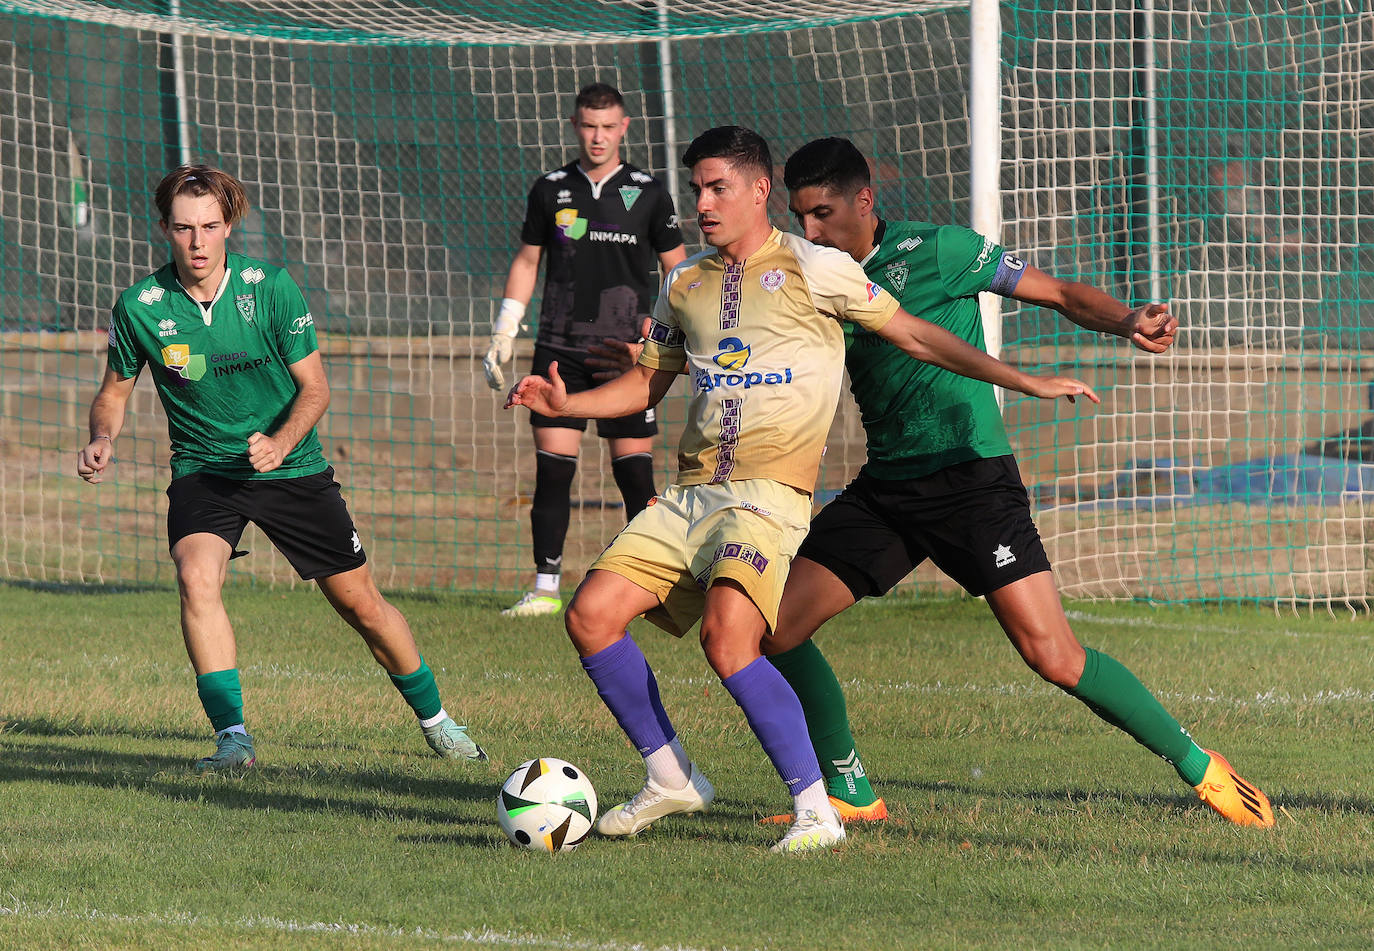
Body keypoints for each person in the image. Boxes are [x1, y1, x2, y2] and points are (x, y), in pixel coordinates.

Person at [506, 126, 1099, 853]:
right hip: (692, 493)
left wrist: (1024, 379)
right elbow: (646, 383)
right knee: (590, 615)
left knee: (731, 638)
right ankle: (671, 777)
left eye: (718, 187)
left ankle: (816, 809)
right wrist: (566, 405)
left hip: (768, 497)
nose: (703, 202)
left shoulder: (818, 268)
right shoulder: (684, 282)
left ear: (760, 192)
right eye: (696, 189)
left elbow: (915, 335)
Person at [758, 136, 1273, 828]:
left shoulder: (937, 251)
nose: (811, 230)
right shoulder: (807, 276)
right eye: (800, 216)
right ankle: (851, 793)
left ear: (864, 199)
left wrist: (1125, 320)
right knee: (775, 628)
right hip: (888, 488)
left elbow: (1057, 292)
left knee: (1053, 655)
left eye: (822, 213)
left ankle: (1202, 767)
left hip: (973, 479)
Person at [75, 165, 486, 771]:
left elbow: (315, 390)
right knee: (196, 579)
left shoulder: (270, 288)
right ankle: (232, 739)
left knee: (361, 605)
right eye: (184, 228)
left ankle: (438, 721)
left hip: (292, 468)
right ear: (164, 228)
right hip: (204, 471)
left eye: (209, 227)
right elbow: (113, 392)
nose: (197, 242)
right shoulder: (141, 306)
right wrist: (101, 437)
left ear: (228, 226)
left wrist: (281, 440)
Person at [484, 82, 687, 618]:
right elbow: (528, 261)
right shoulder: (550, 189)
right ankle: (546, 588)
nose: (597, 137)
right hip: (558, 351)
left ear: (624, 128)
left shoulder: (649, 191)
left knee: (635, 476)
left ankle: (648, 591)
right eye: (588, 126)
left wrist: (662, 337)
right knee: (553, 472)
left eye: (608, 127)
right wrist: (505, 330)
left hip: (626, 356)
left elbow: (679, 273)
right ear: (575, 126)